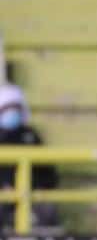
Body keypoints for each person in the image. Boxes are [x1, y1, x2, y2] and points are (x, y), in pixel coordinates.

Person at [0, 83, 59, 229]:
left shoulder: (31, 136)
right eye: (7, 108)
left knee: (47, 212)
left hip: (31, 195)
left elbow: (48, 171)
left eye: (15, 107)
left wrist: (39, 188)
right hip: (3, 196)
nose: (12, 112)